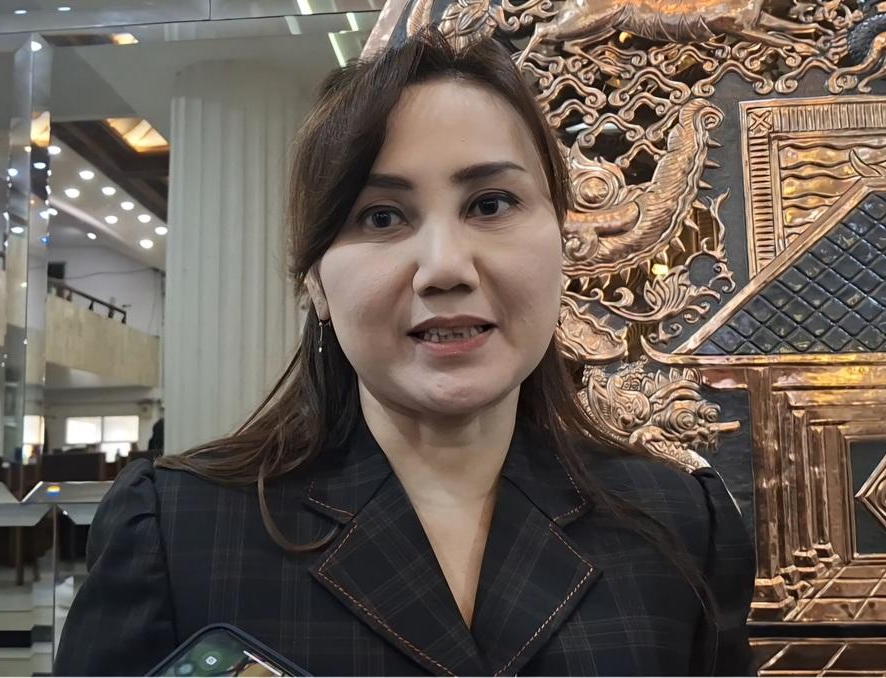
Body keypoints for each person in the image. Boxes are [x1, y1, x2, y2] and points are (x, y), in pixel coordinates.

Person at [52, 27, 756, 677]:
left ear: (563, 241)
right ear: (314, 281)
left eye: (490, 204)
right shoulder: (177, 531)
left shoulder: (676, 524)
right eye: (381, 216)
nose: (444, 267)